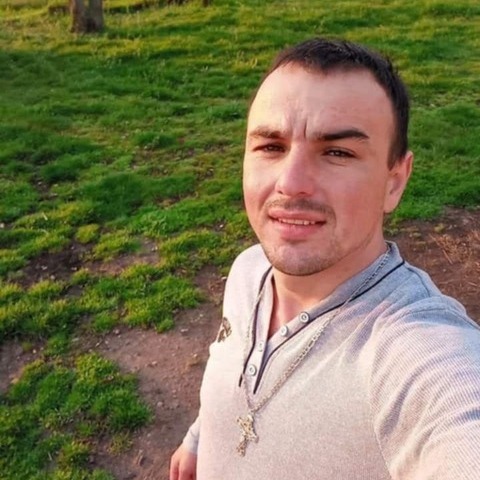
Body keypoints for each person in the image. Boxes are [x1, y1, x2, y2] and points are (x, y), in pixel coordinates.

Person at [169, 38, 480, 480]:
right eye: (270, 147)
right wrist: (199, 440)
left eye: (337, 152)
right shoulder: (248, 270)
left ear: (394, 182)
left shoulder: (414, 349)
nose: (291, 182)